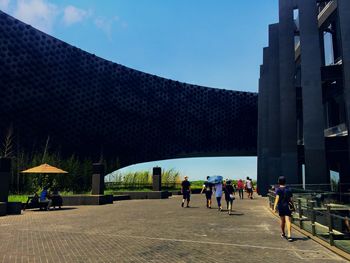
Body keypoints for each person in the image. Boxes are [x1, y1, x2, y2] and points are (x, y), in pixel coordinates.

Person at [273, 176, 293, 242]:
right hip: (287, 206)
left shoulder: (278, 189)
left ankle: (283, 233)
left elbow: (277, 198)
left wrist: (274, 207)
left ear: (279, 181)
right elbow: (290, 199)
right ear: (285, 182)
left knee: (282, 221)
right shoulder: (289, 189)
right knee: (288, 220)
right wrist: (293, 206)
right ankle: (289, 235)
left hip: (281, 206)